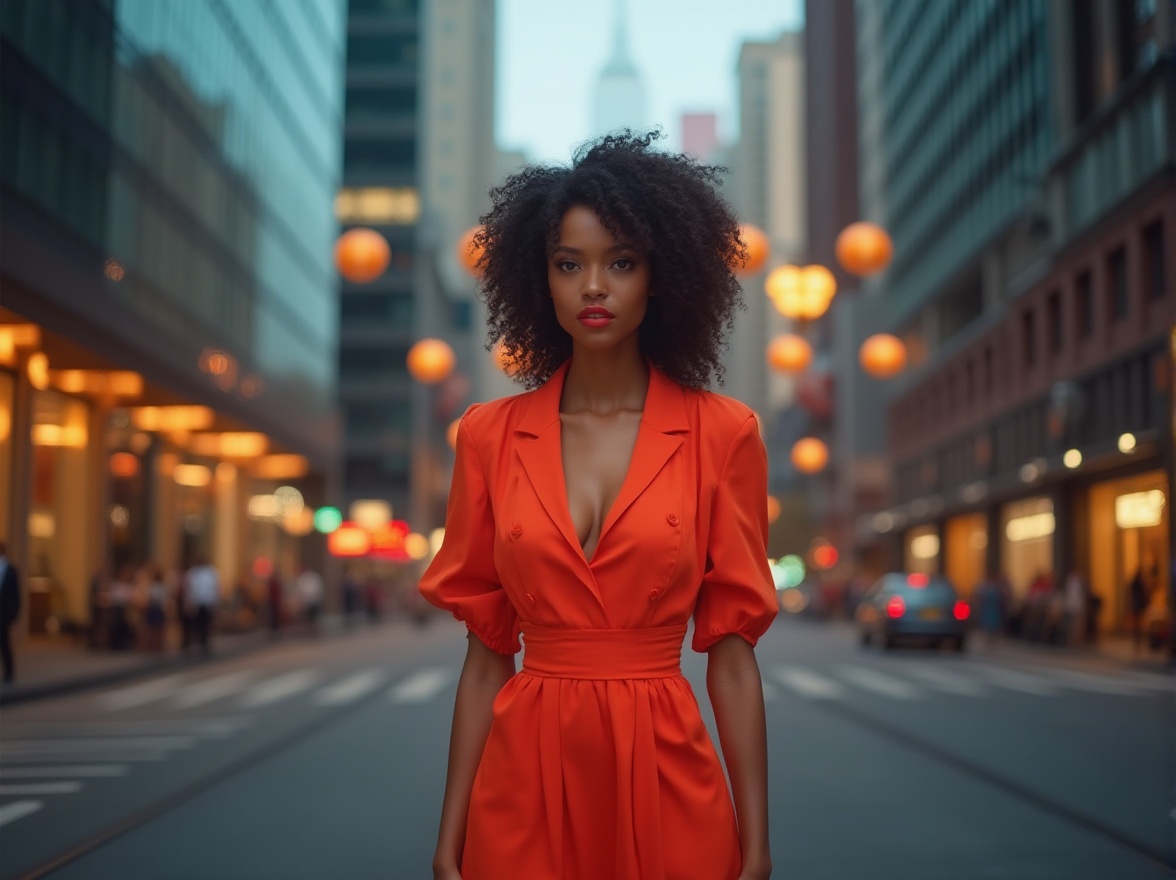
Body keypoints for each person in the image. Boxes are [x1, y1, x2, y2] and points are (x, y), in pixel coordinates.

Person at [419, 132, 778, 880]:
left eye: (621, 262)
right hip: (521, 777)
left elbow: (735, 662)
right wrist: (448, 838)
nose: (593, 287)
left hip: (668, 766)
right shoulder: (488, 435)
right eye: (568, 264)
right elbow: (487, 658)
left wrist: (757, 844)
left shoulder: (724, 433)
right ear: (537, 279)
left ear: (661, 275)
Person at [184, 556, 220, 656]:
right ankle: (196, 644)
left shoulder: (211, 572)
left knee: (206, 625)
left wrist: (215, 602)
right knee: (196, 625)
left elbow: (215, 588)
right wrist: (189, 602)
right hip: (196, 603)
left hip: (207, 602)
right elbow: (189, 589)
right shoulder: (192, 573)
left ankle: (205, 644)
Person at [0, 540, 22, 683]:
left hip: (4, 613)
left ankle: (9, 672)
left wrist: (15, 613)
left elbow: (16, 594)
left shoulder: (11, 570)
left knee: (4, 642)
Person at [294, 565, 325, 635]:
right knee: (308, 617)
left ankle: (313, 630)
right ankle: (310, 630)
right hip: (307, 601)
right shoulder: (302, 578)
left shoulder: (314, 578)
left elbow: (317, 590)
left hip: (313, 601)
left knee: (313, 617)